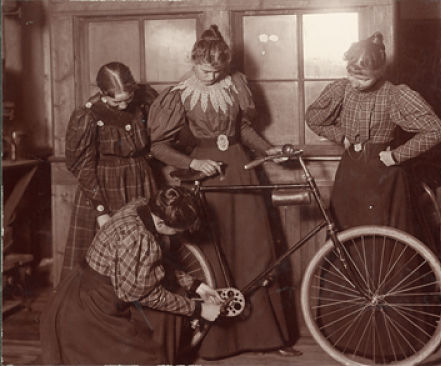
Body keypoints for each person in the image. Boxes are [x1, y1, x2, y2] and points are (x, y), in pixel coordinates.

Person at [148, 25, 300, 359]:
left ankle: (266, 337)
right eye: (205, 70)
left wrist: (270, 150)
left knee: (253, 248)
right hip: (205, 179)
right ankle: (215, 342)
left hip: (241, 171)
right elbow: (158, 146)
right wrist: (193, 162)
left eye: (218, 70)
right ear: (193, 61)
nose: (212, 76)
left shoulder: (236, 84)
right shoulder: (178, 94)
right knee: (213, 252)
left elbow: (245, 129)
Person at [40, 187, 222, 365]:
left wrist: (196, 285)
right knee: (149, 357)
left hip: (83, 288)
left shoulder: (141, 207)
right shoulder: (139, 238)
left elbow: (151, 263)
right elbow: (142, 294)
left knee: (169, 314)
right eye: (178, 230)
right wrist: (198, 309)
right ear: (160, 223)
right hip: (91, 307)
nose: (180, 234)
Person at [306, 31, 441, 235]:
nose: (355, 83)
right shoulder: (341, 89)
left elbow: (437, 129)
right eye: (351, 74)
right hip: (350, 173)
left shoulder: (395, 95)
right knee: (347, 233)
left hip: (384, 175)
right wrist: (341, 137)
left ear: (380, 71)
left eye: (363, 79)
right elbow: (313, 118)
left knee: (384, 237)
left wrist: (397, 155)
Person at [62, 62, 159, 279]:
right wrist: (100, 211)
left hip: (140, 181)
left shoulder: (144, 101)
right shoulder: (87, 116)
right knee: (106, 253)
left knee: (144, 249)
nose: (124, 106)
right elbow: (81, 166)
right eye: (117, 101)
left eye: (128, 99)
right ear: (103, 93)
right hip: (104, 186)